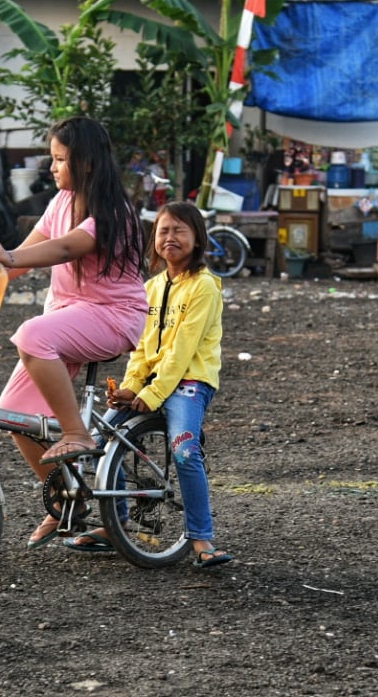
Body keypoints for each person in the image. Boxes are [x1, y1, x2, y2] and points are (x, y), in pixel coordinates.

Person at [0, 116, 149, 547]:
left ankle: (77, 434)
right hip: (69, 316)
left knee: (32, 335)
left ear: (85, 163)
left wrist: (8, 255)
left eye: (60, 159)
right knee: (14, 410)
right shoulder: (60, 203)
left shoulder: (113, 213)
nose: (52, 167)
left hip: (112, 315)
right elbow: (24, 258)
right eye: (53, 158)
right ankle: (73, 500)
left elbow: (66, 248)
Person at [62, 200, 233, 568]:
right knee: (103, 436)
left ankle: (202, 540)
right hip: (152, 381)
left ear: (198, 238)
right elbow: (142, 346)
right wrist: (131, 386)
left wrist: (152, 393)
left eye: (179, 230)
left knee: (185, 451)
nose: (170, 237)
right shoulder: (151, 288)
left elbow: (183, 350)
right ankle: (117, 523)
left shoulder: (205, 287)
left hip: (190, 381)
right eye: (163, 230)